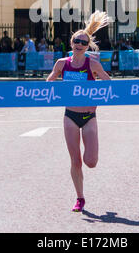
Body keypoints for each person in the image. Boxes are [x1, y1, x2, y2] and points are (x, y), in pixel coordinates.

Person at [47, 11, 110, 213]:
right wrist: (51, 88)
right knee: (76, 160)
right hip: (70, 116)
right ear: (71, 42)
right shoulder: (61, 64)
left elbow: (110, 85)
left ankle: (91, 157)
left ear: (87, 45)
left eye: (83, 42)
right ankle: (80, 198)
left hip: (89, 116)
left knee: (90, 162)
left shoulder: (92, 64)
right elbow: (49, 83)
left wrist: (99, 94)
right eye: (76, 41)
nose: (79, 45)